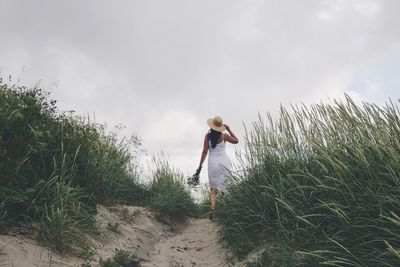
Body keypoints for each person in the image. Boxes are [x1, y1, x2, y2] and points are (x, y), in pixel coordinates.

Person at [196, 115, 238, 220]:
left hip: (213, 164)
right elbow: (236, 141)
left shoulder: (207, 136)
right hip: (224, 163)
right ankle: (225, 212)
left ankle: (213, 210)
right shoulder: (224, 136)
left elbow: (205, 151)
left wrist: (200, 165)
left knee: (213, 189)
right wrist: (229, 129)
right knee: (224, 188)